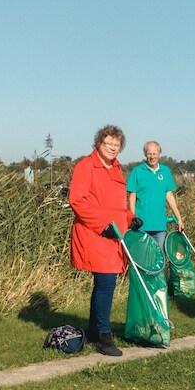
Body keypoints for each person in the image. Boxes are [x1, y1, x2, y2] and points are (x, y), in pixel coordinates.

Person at [69, 124, 142, 357]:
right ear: (98, 143)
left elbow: (117, 203)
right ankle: (103, 335)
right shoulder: (85, 166)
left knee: (104, 283)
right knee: (106, 282)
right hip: (95, 233)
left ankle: (93, 331)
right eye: (108, 143)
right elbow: (77, 201)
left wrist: (130, 218)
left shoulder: (116, 168)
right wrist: (103, 226)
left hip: (114, 235)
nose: (112, 147)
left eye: (117, 145)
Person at [126, 140, 184, 253]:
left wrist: (179, 218)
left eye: (154, 154)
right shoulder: (137, 171)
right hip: (141, 225)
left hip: (159, 225)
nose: (152, 157)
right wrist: (132, 218)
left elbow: (169, 195)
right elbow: (132, 196)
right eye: (149, 153)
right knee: (142, 258)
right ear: (145, 154)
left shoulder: (165, 171)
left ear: (159, 154)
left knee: (157, 259)